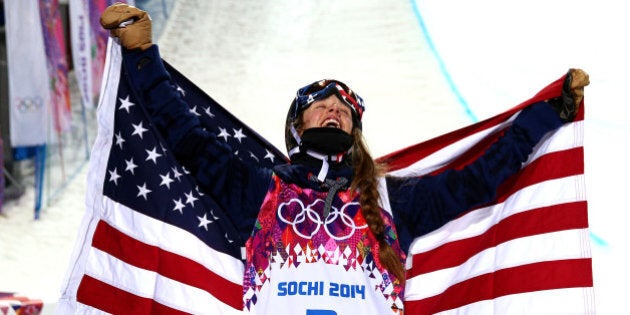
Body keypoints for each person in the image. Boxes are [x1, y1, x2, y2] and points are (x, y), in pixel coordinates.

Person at [100, 3, 589, 314]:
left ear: (355, 133)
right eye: (320, 104)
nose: (334, 108)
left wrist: (545, 116)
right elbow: (186, 138)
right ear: (296, 128)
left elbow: (478, 181)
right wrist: (143, 55)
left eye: (346, 110)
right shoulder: (259, 189)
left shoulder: (392, 200)